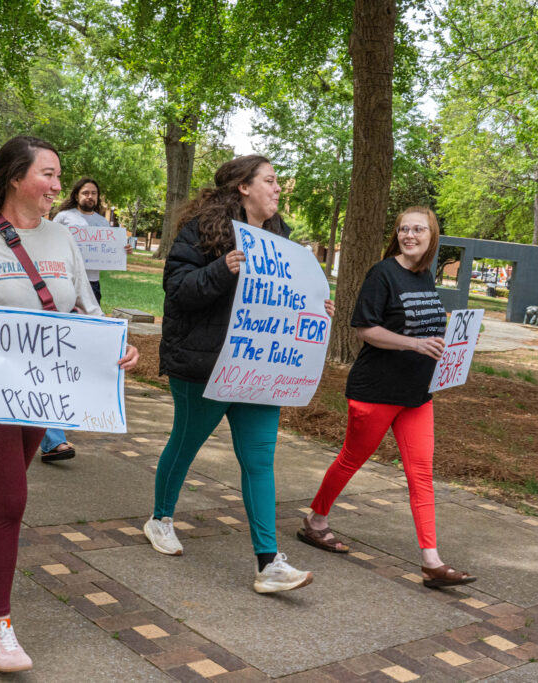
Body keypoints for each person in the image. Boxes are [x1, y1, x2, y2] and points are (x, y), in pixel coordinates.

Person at [0, 136, 138, 672]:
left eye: (59, 175)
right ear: (17, 177)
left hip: (43, 390)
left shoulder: (63, 240)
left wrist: (117, 346)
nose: (58, 185)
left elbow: (86, 309)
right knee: (13, 500)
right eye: (48, 174)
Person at [144, 155, 333, 594]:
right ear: (244, 187)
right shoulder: (203, 232)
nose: (278, 188)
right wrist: (221, 268)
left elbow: (287, 295)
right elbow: (177, 290)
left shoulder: (281, 238)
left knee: (259, 459)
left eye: (278, 182)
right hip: (205, 365)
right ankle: (160, 518)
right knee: (186, 442)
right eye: (270, 180)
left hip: (262, 368)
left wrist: (315, 307)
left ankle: (269, 563)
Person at [299, 207, 478, 589]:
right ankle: (315, 521)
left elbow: (423, 327)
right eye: (403, 229)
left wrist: (450, 349)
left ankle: (432, 561)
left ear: (432, 235)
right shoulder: (383, 274)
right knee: (351, 460)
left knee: (421, 475)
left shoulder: (425, 276)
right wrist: (414, 343)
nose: (409, 235)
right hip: (376, 391)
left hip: (417, 394)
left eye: (418, 229)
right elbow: (365, 329)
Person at [41, 177, 131, 462]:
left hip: (92, 289)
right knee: (57, 357)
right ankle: (52, 436)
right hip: (63, 286)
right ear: (76, 194)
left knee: (76, 356)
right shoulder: (64, 218)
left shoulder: (105, 224)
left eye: (94, 193)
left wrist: (121, 250)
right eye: (85, 192)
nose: (90, 196)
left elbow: (110, 254)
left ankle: (54, 424)